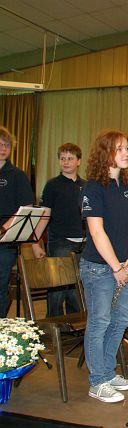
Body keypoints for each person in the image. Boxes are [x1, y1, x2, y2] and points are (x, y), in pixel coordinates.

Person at [79, 130, 128, 403]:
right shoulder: (92, 188)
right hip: (99, 268)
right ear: (105, 153)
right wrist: (116, 267)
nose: (126, 153)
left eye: (127, 148)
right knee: (99, 322)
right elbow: (96, 231)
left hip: (122, 265)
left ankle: (107, 372)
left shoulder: (125, 186)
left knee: (121, 320)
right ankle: (97, 382)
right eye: (119, 148)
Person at [33, 143, 86, 316]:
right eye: (62, 159)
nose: (66, 162)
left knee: (76, 290)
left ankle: (74, 324)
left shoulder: (86, 186)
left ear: (78, 161)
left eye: (70, 158)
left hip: (83, 244)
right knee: (57, 289)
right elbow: (45, 215)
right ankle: (53, 324)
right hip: (60, 242)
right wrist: (35, 242)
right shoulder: (52, 185)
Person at [0, 126, 35, 317]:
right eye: (0, 145)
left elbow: (25, 207)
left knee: (1, 284)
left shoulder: (17, 175)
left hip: (6, 240)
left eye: (6, 145)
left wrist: (4, 229)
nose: (3, 149)